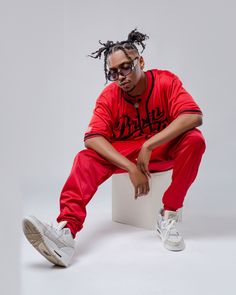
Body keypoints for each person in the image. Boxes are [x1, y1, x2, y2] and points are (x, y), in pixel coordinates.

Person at [22, 29, 206, 267]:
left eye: (126, 67)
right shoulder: (110, 96)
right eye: (114, 72)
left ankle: (169, 214)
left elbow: (193, 116)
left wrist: (149, 145)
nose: (121, 76)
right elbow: (93, 138)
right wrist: (131, 167)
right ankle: (66, 234)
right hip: (128, 154)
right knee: (85, 158)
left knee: (194, 139)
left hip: (163, 149)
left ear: (140, 62)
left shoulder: (165, 81)